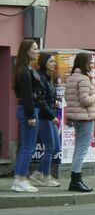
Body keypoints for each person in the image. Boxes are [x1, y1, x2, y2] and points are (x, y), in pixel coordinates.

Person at [64, 53, 95, 192]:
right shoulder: (84, 79)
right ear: (84, 63)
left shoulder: (72, 78)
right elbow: (85, 101)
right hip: (85, 117)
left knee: (78, 148)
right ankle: (76, 180)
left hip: (76, 117)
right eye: (89, 62)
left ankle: (75, 180)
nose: (90, 64)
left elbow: (68, 98)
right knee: (82, 148)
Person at [10, 39, 42, 193]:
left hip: (26, 109)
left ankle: (18, 179)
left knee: (25, 146)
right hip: (28, 109)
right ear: (27, 51)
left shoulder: (24, 69)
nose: (37, 51)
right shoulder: (25, 71)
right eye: (35, 49)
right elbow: (27, 95)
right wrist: (30, 115)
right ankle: (21, 179)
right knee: (28, 147)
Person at [29, 52, 62, 187]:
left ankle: (38, 173)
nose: (54, 64)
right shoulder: (41, 77)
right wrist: (51, 115)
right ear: (44, 63)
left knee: (55, 147)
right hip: (43, 116)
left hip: (49, 115)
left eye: (54, 61)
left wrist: (54, 105)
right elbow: (41, 101)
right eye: (51, 61)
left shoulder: (48, 77)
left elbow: (48, 98)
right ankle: (45, 176)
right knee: (50, 147)